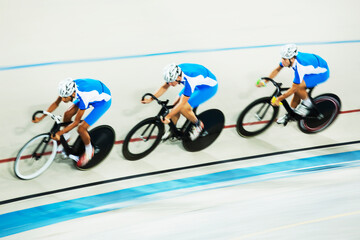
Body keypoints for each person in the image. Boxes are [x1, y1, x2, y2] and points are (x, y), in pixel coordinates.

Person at [33, 78, 112, 166]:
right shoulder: (67, 87)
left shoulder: (84, 96)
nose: (63, 99)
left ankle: (89, 151)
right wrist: (41, 117)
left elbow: (76, 122)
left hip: (102, 102)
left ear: (73, 93)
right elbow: (56, 103)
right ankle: (67, 136)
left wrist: (60, 133)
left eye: (65, 97)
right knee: (67, 114)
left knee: (81, 128)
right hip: (93, 93)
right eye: (62, 96)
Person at [142, 63, 218, 141]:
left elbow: (182, 104)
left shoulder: (190, 79)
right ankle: (172, 130)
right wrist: (151, 99)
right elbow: (164, 87)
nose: (170, 84)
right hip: (196, 83)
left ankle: (198, 124)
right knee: (175, 106)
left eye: (171, 81)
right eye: (168, 82)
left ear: (178, 77)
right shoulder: (174, 72)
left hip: (207, 88)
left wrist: (168, 116)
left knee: (183, 108)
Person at [257, 44, 330, 124]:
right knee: (297, 92)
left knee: (297, 88)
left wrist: (279, 99)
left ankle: (307, 104)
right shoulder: (289, 59)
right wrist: (265, 81)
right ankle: (291, 114)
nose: (282, 61)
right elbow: (277, 69)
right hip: (311, 68)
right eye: (282, 58)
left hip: (322, 73)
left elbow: (294, 88)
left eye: (284, 59)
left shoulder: (300, 67)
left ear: (292, 59)